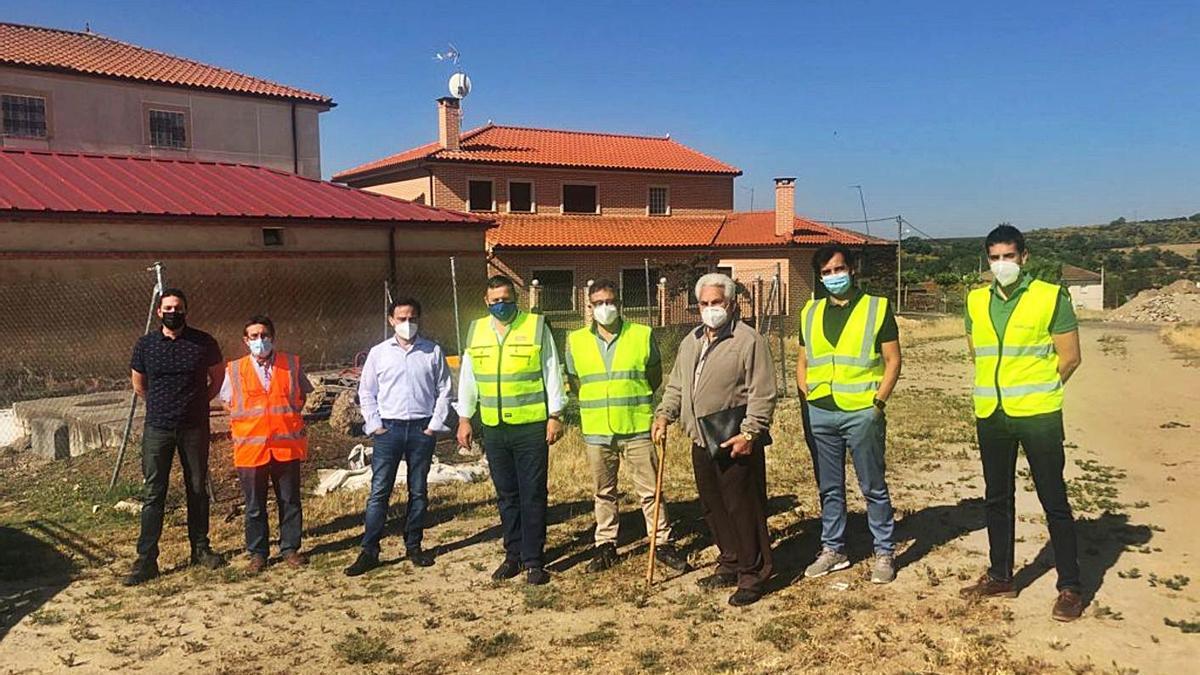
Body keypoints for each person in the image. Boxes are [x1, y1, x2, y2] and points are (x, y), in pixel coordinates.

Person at [959, 224, 1085, 622]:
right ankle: (1001, 576)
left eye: (1008, 256)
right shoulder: (976, 301)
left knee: (1053, 499)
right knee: (996, 497)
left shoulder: (1050, 297)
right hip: (991, 414)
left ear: (1024, 257)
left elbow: (1070, 357)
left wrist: (1042, 391)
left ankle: (1070, 586)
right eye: (994, 258)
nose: (1002, 264)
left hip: (1039, 415)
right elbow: (977, 353)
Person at [653, 272, 777, 606]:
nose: (710, 309)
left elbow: (762, 392)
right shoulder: (691, 340)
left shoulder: (749, 340)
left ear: (732, 303)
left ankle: (753, 573)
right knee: (713, 505)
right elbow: (677, 384)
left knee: (743, 507)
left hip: (733, 436)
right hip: (700, 438)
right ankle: (730, 560)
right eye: (705, 304)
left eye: (716, 303)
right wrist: (665, 414)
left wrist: (750, 432)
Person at [565, 280, 688, 574]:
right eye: (598, 303)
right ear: (590, 307)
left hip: (637, 426)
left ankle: (661, 543)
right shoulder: (576, 340)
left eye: (610, 302)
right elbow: (575, 380)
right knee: (603, 491)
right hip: (597, 429)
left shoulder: (642, 335)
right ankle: (606, 544)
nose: (605, 308)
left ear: (619, 304)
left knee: (650, 490)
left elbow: (654, 375)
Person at [796, 245, 901, 584]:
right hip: (822, 411)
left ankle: (884, 551)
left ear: (852, 269)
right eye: (826, 272)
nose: (833, 277)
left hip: (862, 412)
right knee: (830, 487)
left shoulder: (876, 307)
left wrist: (878, 404)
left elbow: (893, 360)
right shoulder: (809, 312)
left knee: (873, 485)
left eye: (838, 269)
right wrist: (808, 394)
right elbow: (802, 360)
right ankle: (833, 549)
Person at [456, 275, 566, 585]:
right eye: (495, 301)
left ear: (515, 299)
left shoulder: (535, 327)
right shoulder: (477, 330)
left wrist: (555, 414)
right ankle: (512, 555)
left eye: (506, 299)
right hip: (494, 427)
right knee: (506, 495)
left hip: (530, 426)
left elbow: (551, 370)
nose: (501, 305)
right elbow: (469, 378)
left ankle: (533, 559)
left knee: (532, 494)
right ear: (486, 301)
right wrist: (465, 417)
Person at [345, 297, 454, 575]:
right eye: (401, 318)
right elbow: (366, 391)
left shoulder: (432, 351)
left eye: (412, 318)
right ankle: (369, 550)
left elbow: (444, 390)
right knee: (379, 491)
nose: (407, 323)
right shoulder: (379, 353)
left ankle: (414, 546)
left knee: (418, 490)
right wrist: (375, 424)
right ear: (391, 320)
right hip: (389, 431)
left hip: (421, 430)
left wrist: (434, 424)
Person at [124, 288, 225, 585]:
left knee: (197, 487)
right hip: (158, 428)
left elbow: (217, 379)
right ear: (159, 312)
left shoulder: (203, 342)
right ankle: (146, 560)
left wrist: (198, 402)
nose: (173, 312)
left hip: (194, 427)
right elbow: (139, 385)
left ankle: (200, 549)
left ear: (185, 311)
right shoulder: (145, 345)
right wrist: (162, 406)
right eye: (168, 307)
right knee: (154, 492)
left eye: (178, 307)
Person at [220, 315, 312, 574]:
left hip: (285, 447)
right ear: (245, 340)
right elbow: (227, 401)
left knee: (290, 500)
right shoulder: (235, 370)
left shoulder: (291, 364)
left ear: (273, 337)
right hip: (251, 450)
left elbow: (302, 395)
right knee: (254, 505)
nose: (260, 340)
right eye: (254, 336)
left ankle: (290, 548)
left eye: (264, 335)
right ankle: (258, 553)